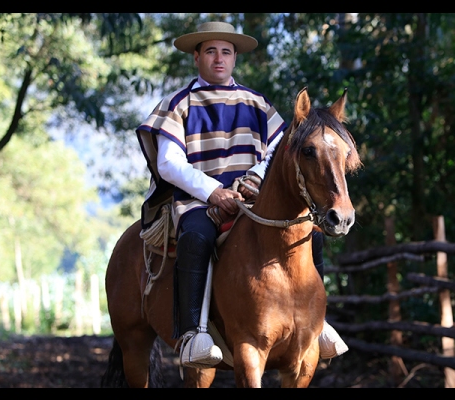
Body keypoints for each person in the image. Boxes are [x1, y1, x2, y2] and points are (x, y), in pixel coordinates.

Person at [135, 21, 348, 370]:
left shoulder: (257, 103)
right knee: (196, 237)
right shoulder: (178, 104)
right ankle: (194, 333)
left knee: (313, 235)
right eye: (211, 51)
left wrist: (254, 177)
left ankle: (317, 324)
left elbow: (283, 147)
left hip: (251, 199)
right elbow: (169, 163)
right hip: (198, 201)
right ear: (196, 56)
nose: (219, 59)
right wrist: (213, 191)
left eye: (226, 52)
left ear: (234, 58)